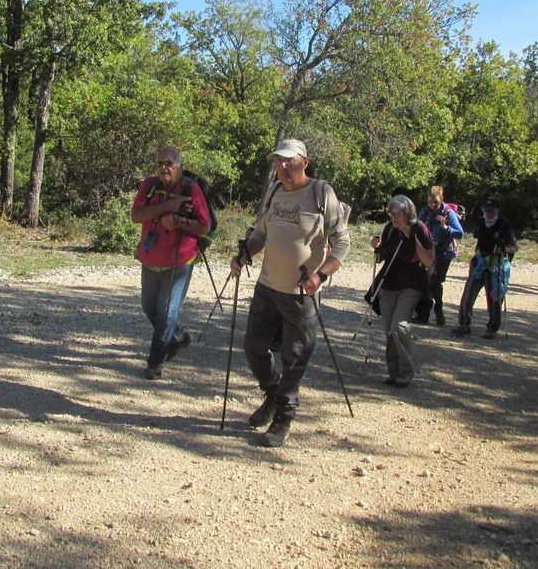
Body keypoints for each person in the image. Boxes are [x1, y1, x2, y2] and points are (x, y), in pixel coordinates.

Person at [230, 139, 351, 448]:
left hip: (301, 293)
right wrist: (245, 255)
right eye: (277, 161)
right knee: (253, 346)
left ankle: (284, 416)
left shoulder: (322, 193)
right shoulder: (275, 192)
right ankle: (272, 394)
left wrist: (320, 275)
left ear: (304, 162)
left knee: (294, 356)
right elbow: (260, 233)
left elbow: (342, 242)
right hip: (267, 285)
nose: (282, 167)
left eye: (288, 161)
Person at [131, 147, 212, 379]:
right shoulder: (149, 185)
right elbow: (136, 216)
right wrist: (168, 206)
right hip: (150, 257)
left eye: (169, 163)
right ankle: (178, 338)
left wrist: (178, 221)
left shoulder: (191, 189)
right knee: (149, 307)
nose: (163, 168)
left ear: (179, 164)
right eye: (159, 163)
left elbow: (204, 227)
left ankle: (155, 363)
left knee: (166, 312)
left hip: (180, 260)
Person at [371, 195, 434, 387]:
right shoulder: (390, 229)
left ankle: (406, 372)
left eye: (398, 214)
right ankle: (394, 373)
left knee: (400, 326)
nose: (395, 218)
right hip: (388, 284)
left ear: (408, 214)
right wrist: (377, 247)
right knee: (389, 329)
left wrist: (412, 239)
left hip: (411, 285)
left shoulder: (419, 228)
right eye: (392, 214)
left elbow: (429, 260)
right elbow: (383, 256)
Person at [453, 196, 518, 340]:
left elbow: (514, 247)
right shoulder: (481, 222)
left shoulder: (504, 225)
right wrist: (475, 260)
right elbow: (479, 241)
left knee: (494, 297)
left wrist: (504, 249)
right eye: (485, 210)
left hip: (496, 264)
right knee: (468, 293)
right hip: (480, 261)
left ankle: (492, 328)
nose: (487, 213)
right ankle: (464, 323)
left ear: (497, 210)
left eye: (490, 211)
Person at [415, 185, 464, 324]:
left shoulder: (449, 213)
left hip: (444, 253)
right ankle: (423, 314)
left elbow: (460, 233)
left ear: (442, 199)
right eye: (430, 201)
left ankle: (438, 308)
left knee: (434, 281)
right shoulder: (424, 213)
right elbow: (417, 228)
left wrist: (446, 227)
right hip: (427, 251)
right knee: (424, 281)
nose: (433, 204)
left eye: (436, 201)